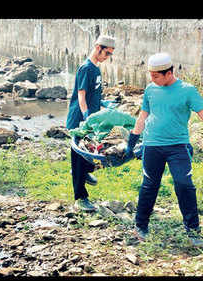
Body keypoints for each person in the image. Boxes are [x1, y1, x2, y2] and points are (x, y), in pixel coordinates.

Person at [125, 52, 203, 246]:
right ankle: (140, 226)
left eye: (155, 75)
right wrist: (132, 140)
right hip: (152, 145)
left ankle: (193, 230)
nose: (151, 79)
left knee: (184, 184)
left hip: (178, 146)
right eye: (150, 74)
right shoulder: (151, 90)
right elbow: (143, 116)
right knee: (149, 185)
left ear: (169, 73)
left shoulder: (188, 90)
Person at [66, 35, 115, 211]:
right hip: (80, 119)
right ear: (98, 47)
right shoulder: (86, 68)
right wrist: (87, 118)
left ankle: (84, 171)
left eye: (110, 54)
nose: (107, 57)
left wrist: (105, 105)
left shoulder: (96, 69)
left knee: (91, 153)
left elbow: (94, 95)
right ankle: (80, 198)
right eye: (107, 53)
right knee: (78, 157)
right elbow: (81, 97)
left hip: (91, 118)